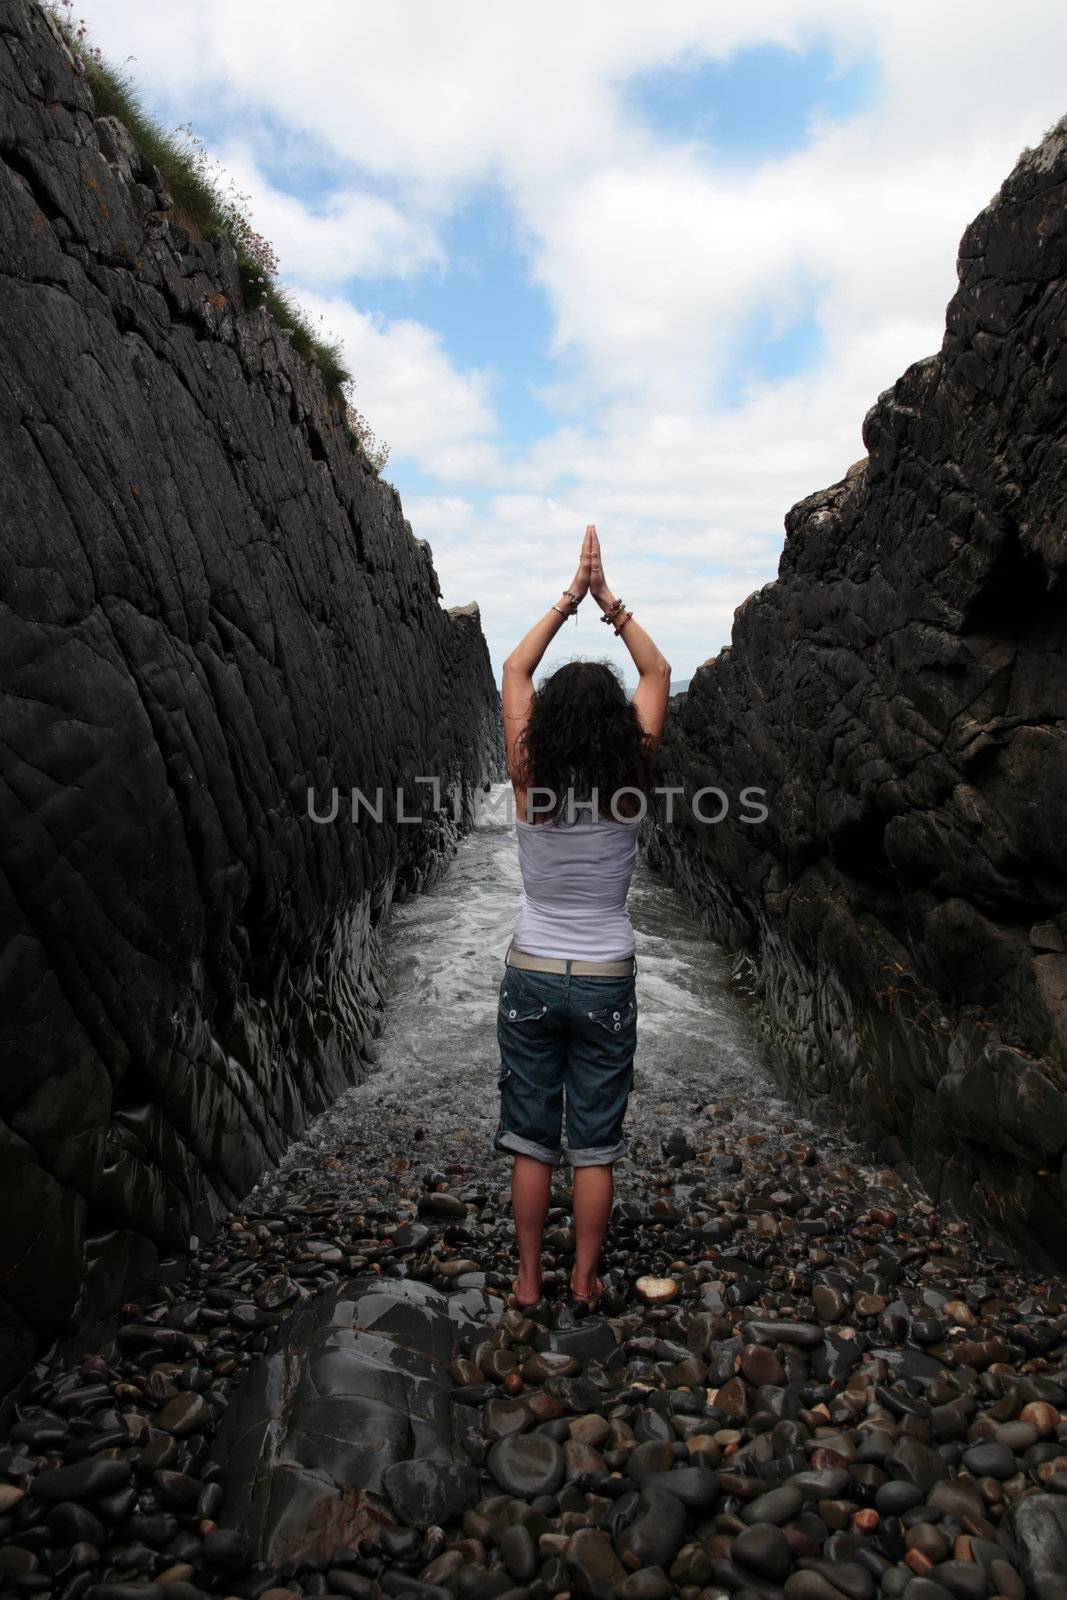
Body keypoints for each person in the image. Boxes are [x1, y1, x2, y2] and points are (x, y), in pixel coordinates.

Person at [496, 524, 671, 1314]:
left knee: (532, 1133)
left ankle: (529, 1278)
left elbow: (513, 667)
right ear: (613, 729)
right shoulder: (630, 779)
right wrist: (609, 601)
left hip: (533, 965)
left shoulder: (528, 775)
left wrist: (568, 599)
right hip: (605, 973)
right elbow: (657, 669)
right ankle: (583, 1278)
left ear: (547, 727)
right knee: (593, 1141)